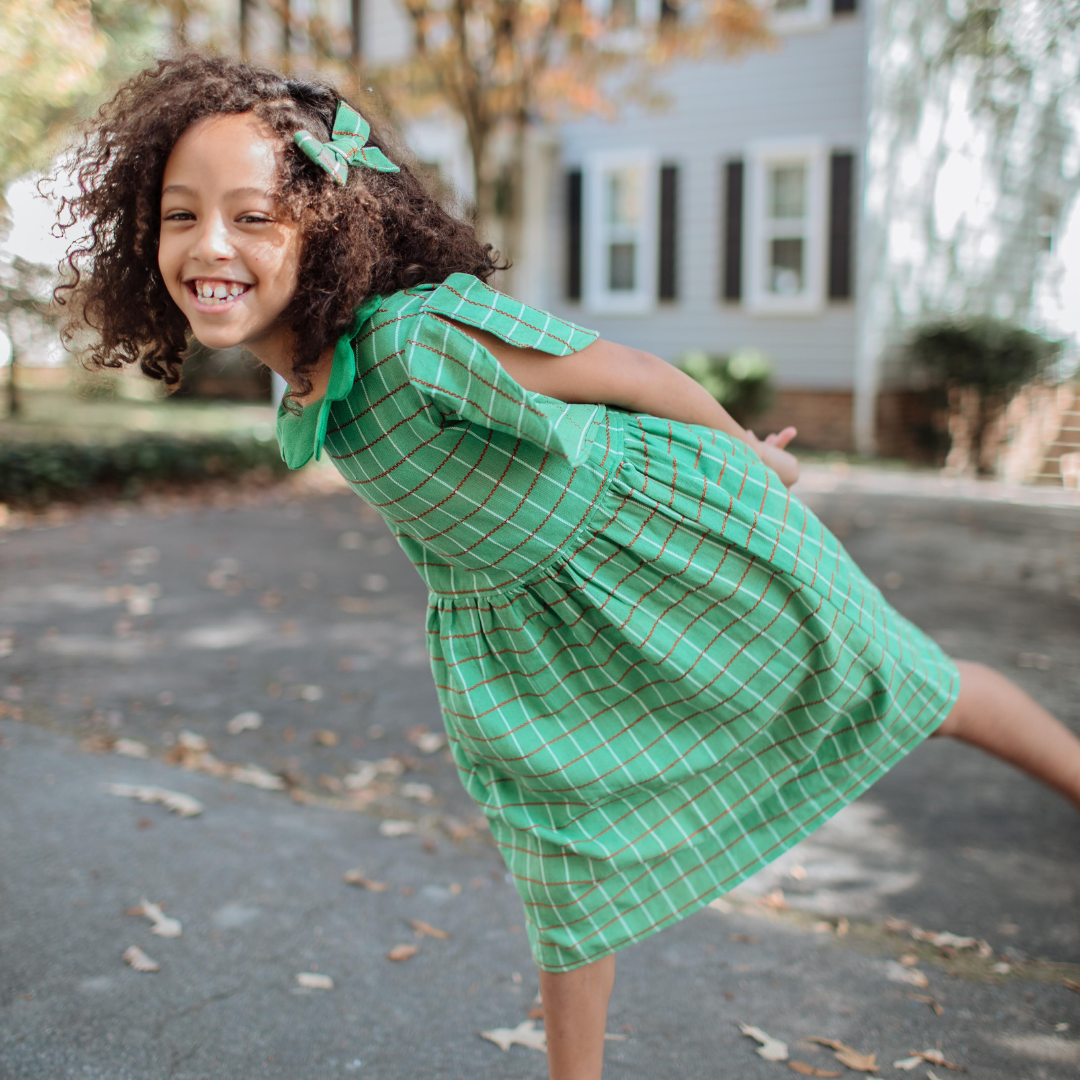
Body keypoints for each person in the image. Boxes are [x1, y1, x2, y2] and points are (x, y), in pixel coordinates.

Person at [58, 53, 1080, 1080]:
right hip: (530, 620)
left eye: (254, 215)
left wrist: (754, 463)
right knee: (566, 860)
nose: (210, 243)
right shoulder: (313, 382)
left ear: (329, 224)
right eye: (180, 215)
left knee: (897, 681)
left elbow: (630, 372)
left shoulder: (419, 337)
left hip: (667, 538)